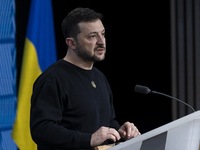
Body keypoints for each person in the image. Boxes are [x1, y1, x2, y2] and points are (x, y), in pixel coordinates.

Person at [30, 7, 140, 150]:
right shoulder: (53, 79)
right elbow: (41, 130)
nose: (102, 42)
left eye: (103, 34)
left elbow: (107, 122)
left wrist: (119, 132)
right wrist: (88, 139)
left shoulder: (100, 77)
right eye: (92, 36)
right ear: (72, 43)